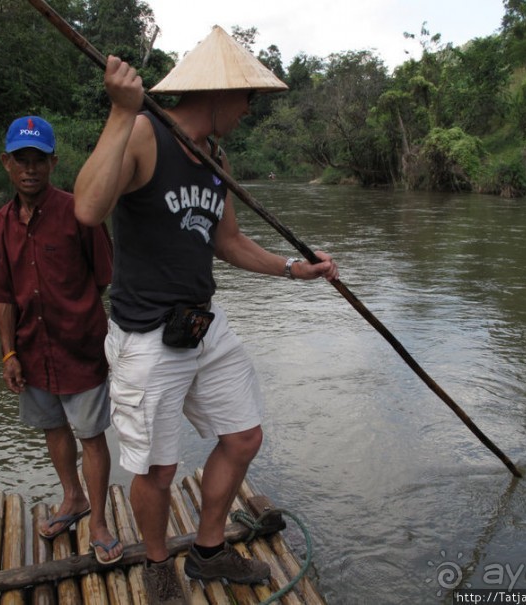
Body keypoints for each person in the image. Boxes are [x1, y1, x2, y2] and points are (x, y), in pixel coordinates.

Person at [73, 26, 339, 602]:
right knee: (157, 472)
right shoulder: (144, 133)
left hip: (201, 323)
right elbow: (89, 209)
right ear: (218, 93)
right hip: (146, 336)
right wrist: (120, 112)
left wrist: (295, 268)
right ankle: (158, 565)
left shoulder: (213, 156)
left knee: (243, 436)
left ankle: (209, 553)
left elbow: (230, 243)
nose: (249, 109)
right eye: (247, 97)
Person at [0, 116, 123, 565]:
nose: (30, 168)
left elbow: (104, 277)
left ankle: (98, 521)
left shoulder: (81, 212)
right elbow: (1, 296)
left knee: (91, 434)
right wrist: (8, 353)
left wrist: (76, 317)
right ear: (6, 163)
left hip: (81, 348)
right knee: (52, 428)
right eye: (22, 158)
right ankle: (72, 499)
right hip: (32, 351)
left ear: (53, 162)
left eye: (39, 159)